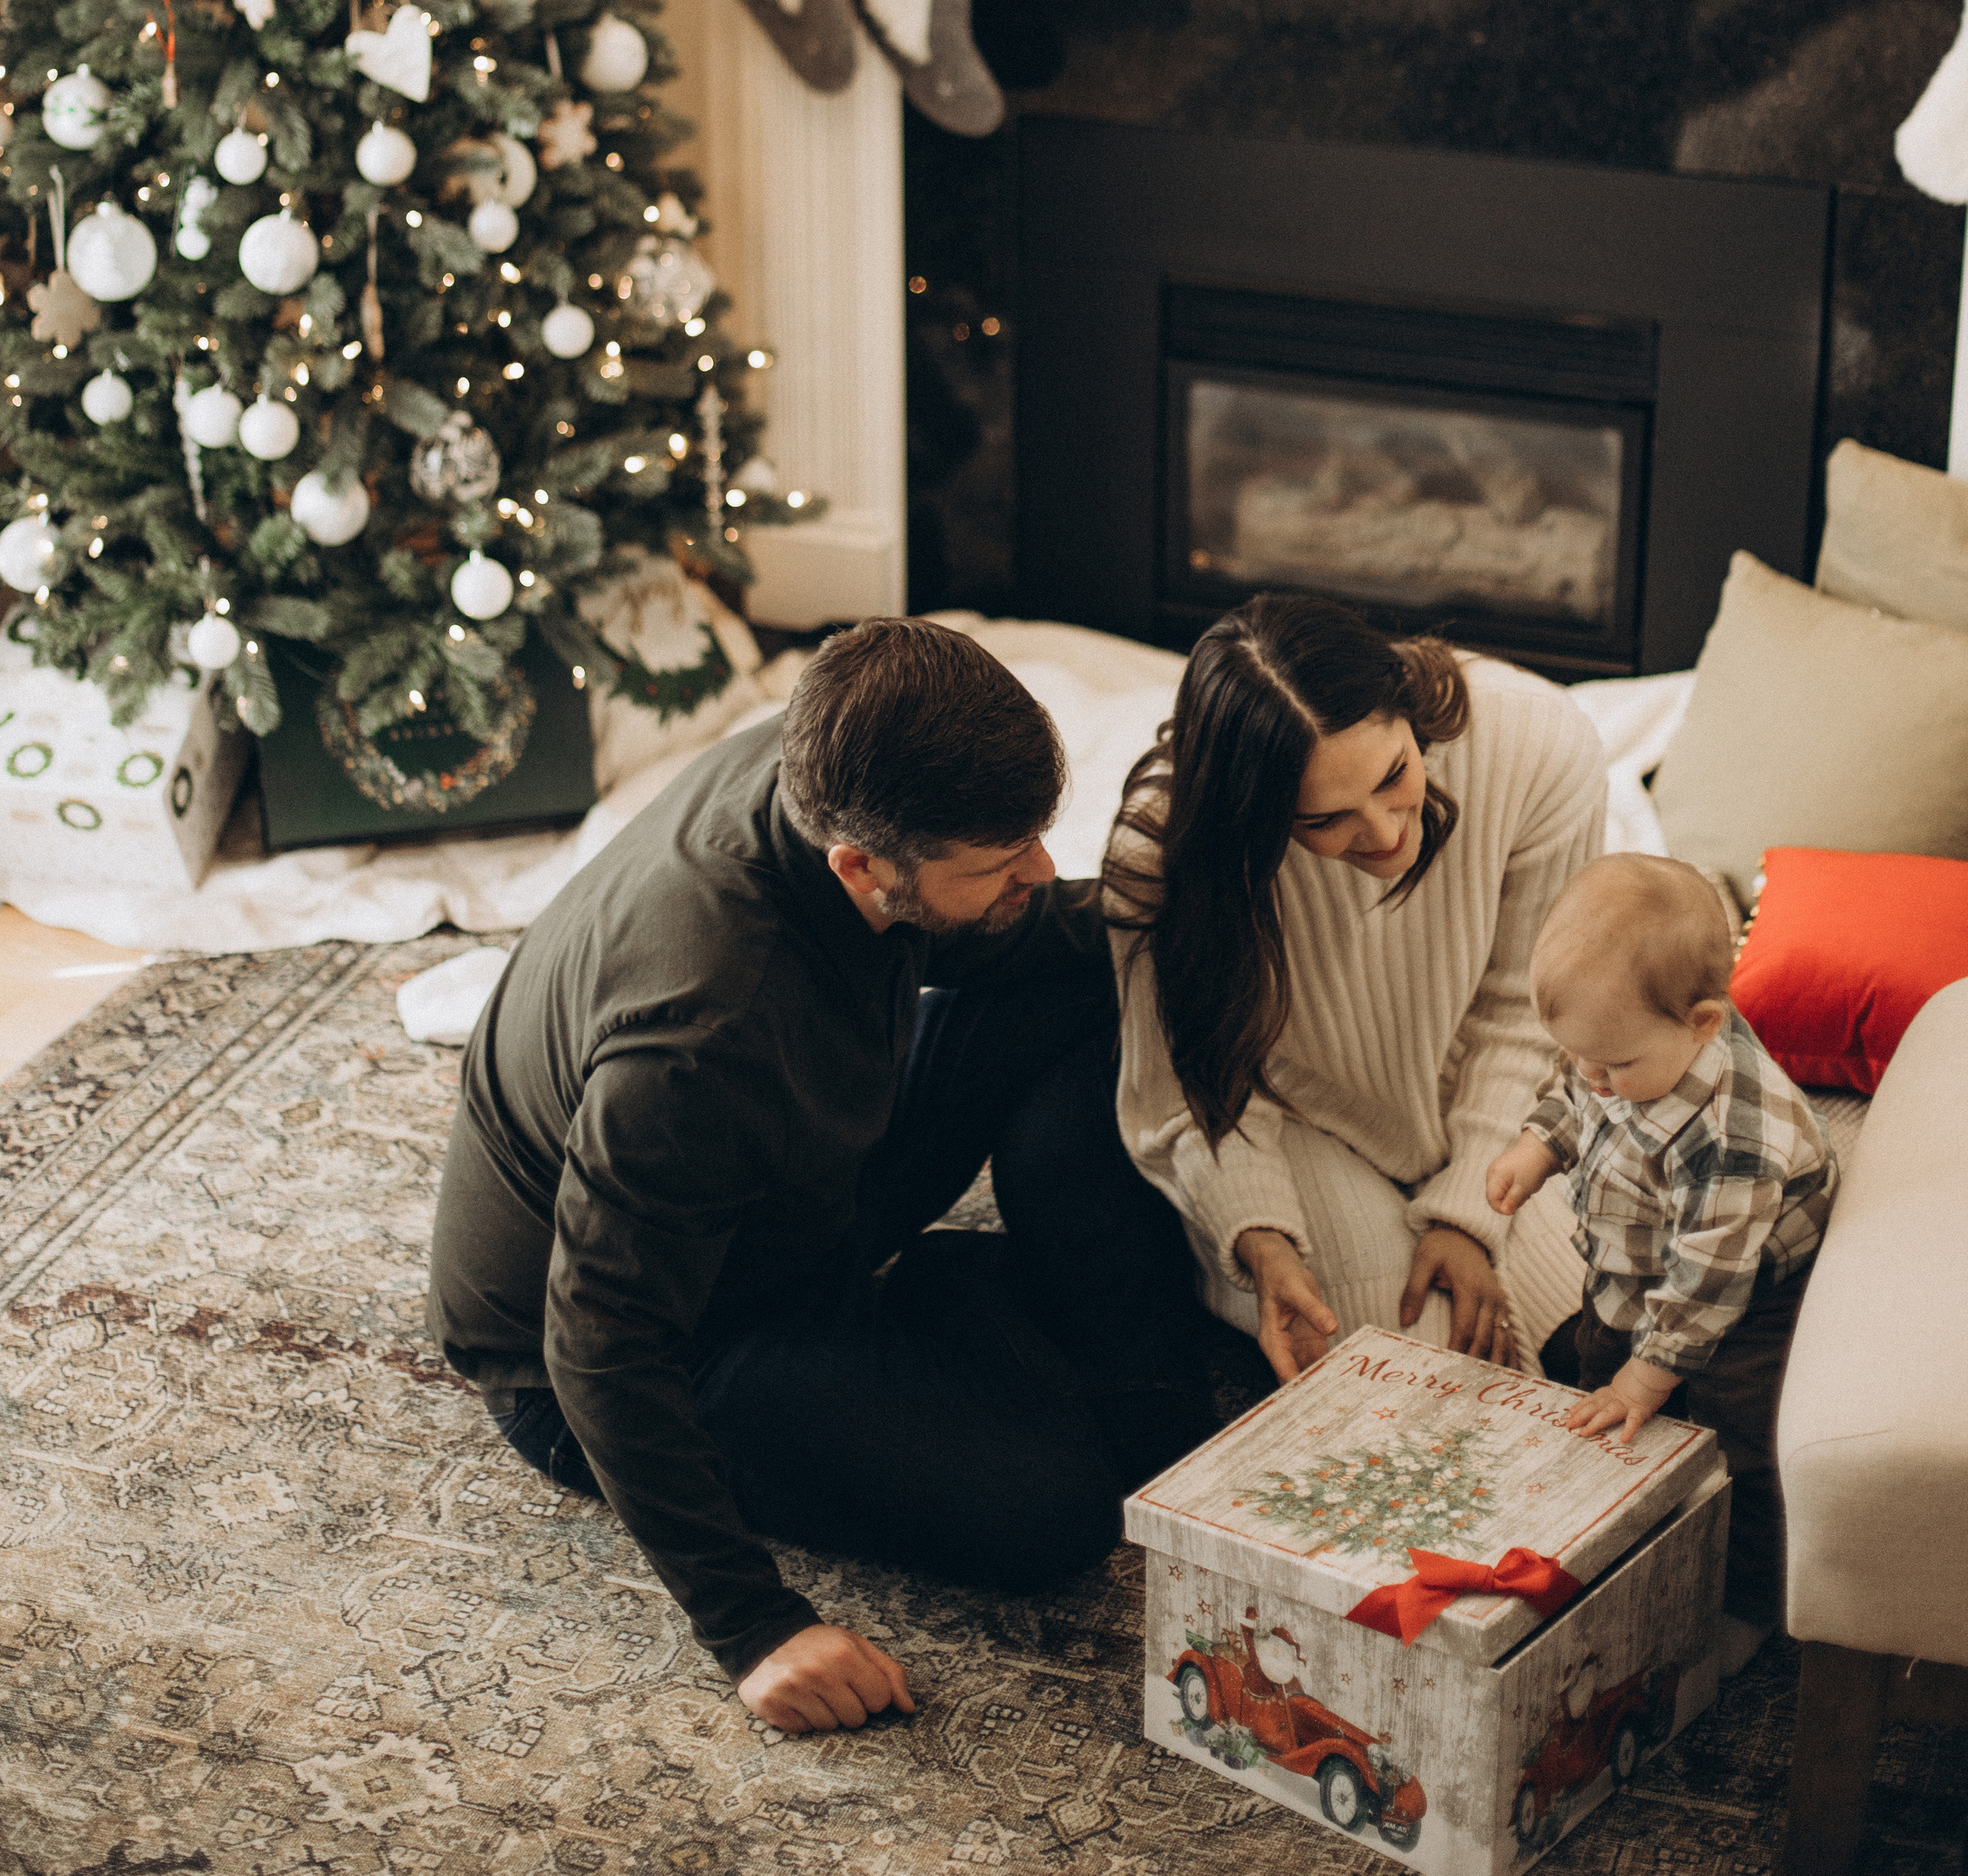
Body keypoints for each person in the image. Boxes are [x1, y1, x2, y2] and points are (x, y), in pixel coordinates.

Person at [426, 617, 1210, 1737]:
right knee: (1053, 1516)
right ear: (861, 863)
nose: (1037, 869)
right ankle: (972, 1316)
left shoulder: (828, 758)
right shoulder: (701, 1037)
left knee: (1095, 971)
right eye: (1002, 858)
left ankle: (1096, 1369)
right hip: (657, 1341)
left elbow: (976, 929)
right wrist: (754, 1628)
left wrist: (1154, 915)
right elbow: (597, 1339)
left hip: (786, 1190)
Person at [1104, 590, 1606, 1386]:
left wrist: (1469, 1216)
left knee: (1617, 1339)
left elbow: (1528, 1013)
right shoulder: (1162, 848)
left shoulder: (1538, 745)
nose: (1381, 835)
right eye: (1322, 821)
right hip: (1297, 1124)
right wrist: (1260, 1239)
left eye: (1394, 776)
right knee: (1417, 1373)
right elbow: (1186, 1090)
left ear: (1409, 712)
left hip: (1498, 1113)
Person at [1486, 851, 1837, 1635]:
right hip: (1633, 1257)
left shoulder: (1735, 1138)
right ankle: (1611, 1541)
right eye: (1579, 1055)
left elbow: (1707, 1284)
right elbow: (1575, 1089)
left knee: (1730, 1436)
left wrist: (1648, 1381)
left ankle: (1744, 1604)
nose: (1592, 1077)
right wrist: (1538, 1146)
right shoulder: (1621, 1045)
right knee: (1597, 1386)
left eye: (1611, 1063)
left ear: (1703, 1023)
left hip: (1746, 1295)